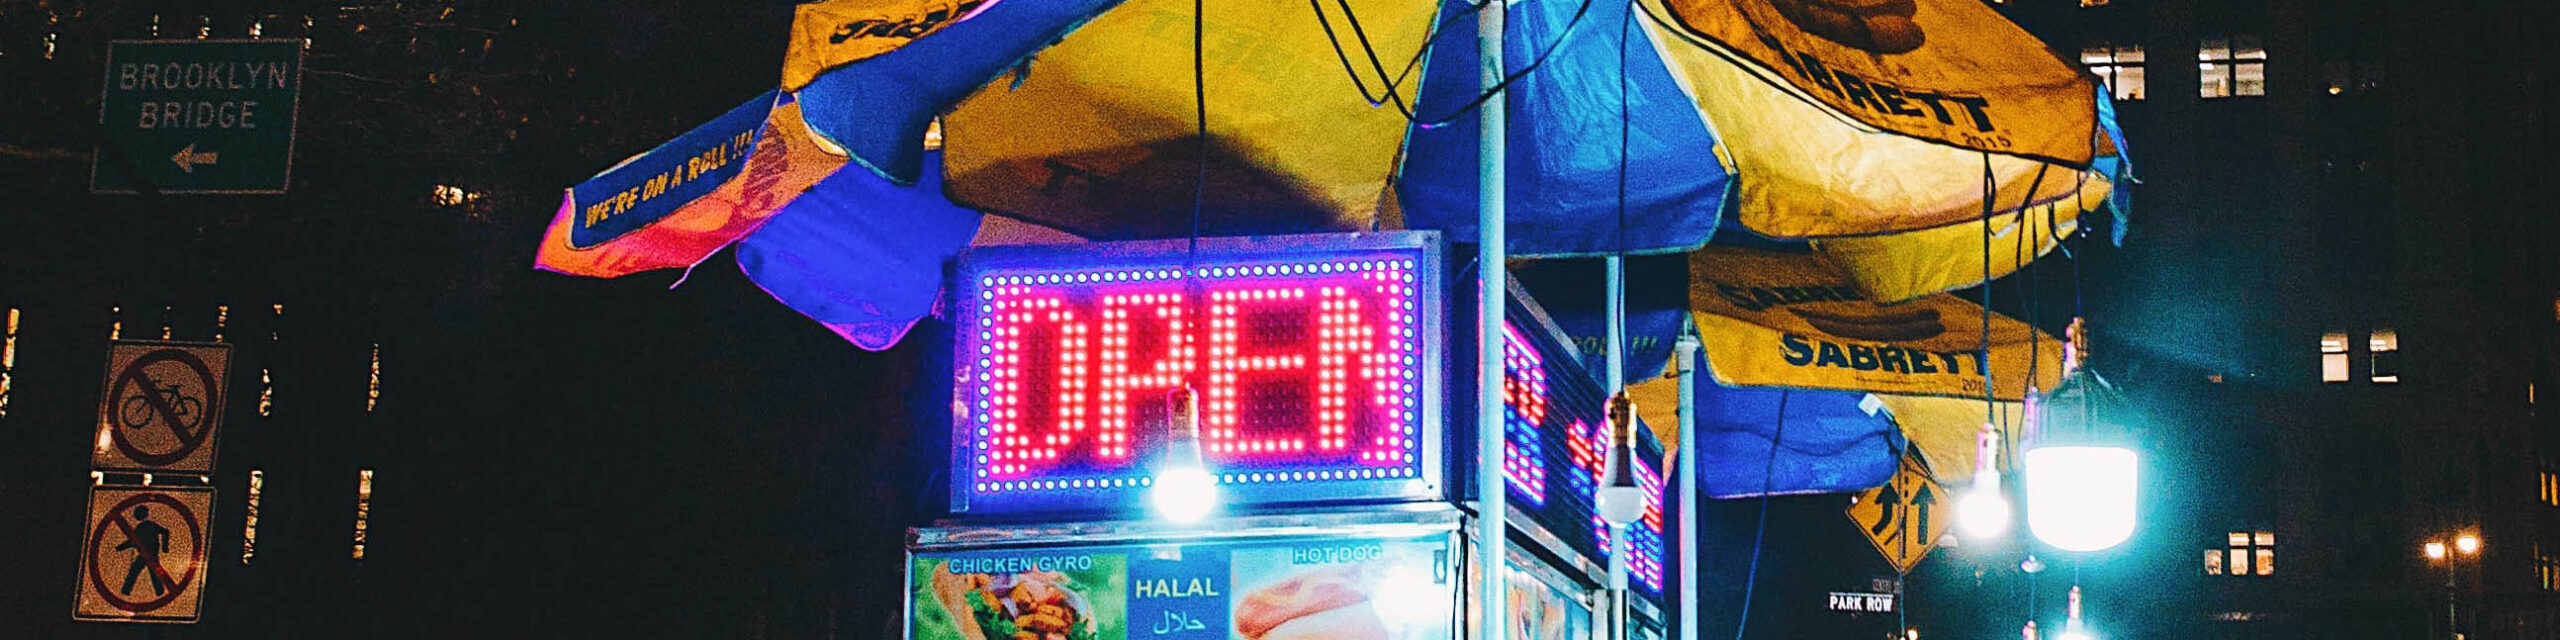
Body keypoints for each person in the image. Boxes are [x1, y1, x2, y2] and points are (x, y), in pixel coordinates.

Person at [115, 505, 172, 597]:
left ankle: (125, 592)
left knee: (136, 572)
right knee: (153, 574)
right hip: (150, 554)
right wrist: (164, 548)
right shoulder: (149, 525)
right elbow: (165, 532)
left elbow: (133, 541)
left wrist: (120, 548)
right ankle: (160, 593)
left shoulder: (142, 527)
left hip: (146, 554)